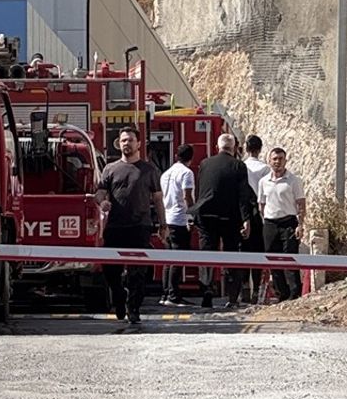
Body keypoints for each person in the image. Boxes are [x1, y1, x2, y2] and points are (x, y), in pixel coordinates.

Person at [95, 127, 166, 324]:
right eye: (123, 140)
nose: (127, 143)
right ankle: (119, 296)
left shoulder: (149, 170)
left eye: (130, 140)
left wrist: (163, 224)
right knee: (110, 270)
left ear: (139, 144)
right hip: (115, 227)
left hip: (139, 227)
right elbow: (100, 192)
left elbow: (158, 199)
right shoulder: (110, 168)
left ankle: (133, 308)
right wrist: (102, 202)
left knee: (138, 271)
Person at [191, 133, 254, 309]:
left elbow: (200, 190)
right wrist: (246, 219)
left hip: (206, 215)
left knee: (207, 255)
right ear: (234, 148)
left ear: (217, 147)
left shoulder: (205, 163)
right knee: (231, 255)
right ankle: (232, 297)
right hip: (229, 217)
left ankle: (207, 290)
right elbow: (243, 195)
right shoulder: (239, 166)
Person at [259, 147, 307, 301]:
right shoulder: (263, 181)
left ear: (285, 161)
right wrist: (266, 220)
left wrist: (300, 224)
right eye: (275, 159)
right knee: (273, 260)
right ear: (269, 161)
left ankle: (295, 294)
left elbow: (301, 204)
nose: (277, 162)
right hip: (271, 223)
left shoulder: (294, 180)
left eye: (280, 159)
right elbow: (262, 204)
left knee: (290, 258)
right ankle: (282, 293)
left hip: (288, 222)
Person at [159, 143, 196, 307]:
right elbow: (187, 197)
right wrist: (191, 216)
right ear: (191, 158)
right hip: (180, 219)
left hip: (167, 218)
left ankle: (166, 293)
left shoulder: (165, 173)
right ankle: (174, 295)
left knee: (168, 258)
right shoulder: (187, 173)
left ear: (176, 156)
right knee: (179, 257)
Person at [241, 135, 271, 299]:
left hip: (242, 213)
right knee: (257, 251)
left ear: (246, 148)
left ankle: (244, 286)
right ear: (260, 149)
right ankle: (255, 290)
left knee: (244, 250)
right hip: (258, 215)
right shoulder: (265, 169)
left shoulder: (240, 166)